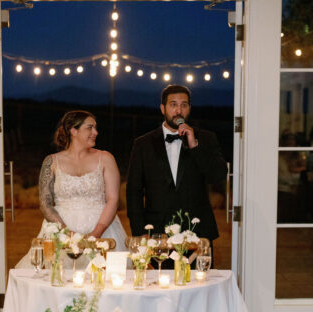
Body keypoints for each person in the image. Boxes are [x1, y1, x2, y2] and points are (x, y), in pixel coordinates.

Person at [126, 84, 227, 264]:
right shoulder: (143, 144)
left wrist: (194, 145)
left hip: (198, 233)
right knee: (157, 287)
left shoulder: (206, 139)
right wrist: (140, 231)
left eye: (184, 105)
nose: (178, 110)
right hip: (156, 233)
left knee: (198, 288)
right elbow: (133, 191)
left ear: (189, 108)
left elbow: (217, 176)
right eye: (173, 104)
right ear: (162, 108)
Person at [16, 110, 127, 268]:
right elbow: (45, 203)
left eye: (95, 128)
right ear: (73, 131)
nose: (95, 132)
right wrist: (67, 235)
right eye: (90, 128)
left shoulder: (106, 158)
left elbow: (113, 199)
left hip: (102, 228)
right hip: (60, 229)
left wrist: (95, 235)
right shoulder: (51, 162)